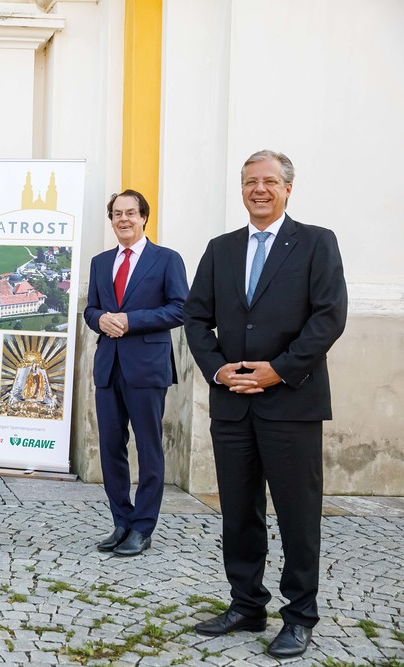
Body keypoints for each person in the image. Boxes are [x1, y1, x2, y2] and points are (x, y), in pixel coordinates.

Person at [184, 150, 347, 658]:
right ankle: (246, 604)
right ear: (242, 189)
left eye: (270, 181)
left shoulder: (317, 242)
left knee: (298, 515)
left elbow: (329, 317)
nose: (259, 189)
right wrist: (217, 369)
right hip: (232, 404)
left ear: (288, 189)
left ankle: (299, 616)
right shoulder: (221, 248)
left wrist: (280, 369)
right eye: (250, 181)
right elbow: (195, 317)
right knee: (238, 511)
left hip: (292, 403)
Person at [83, 190, 188, 557]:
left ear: (144, 217)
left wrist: (130, 320)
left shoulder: (166, 259)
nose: (123, 219)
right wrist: (100, 319)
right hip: (108, 367)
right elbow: (91, 310)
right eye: (117, 213)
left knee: (148, 447)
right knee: (111, 447)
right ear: (111, 220)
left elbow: (180, 308)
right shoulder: (100, 262)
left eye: (130, 212)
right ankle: (121, 521)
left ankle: (143, 527)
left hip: (146, 367)